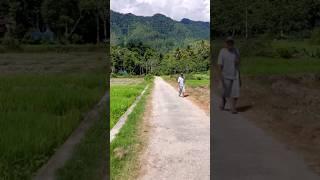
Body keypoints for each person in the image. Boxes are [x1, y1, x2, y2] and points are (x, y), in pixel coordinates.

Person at [217, 37, 240, 114]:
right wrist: (220, 76)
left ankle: (233, 107)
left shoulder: (236, 51)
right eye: (228, 43)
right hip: (225, 75)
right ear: (225, 43)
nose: (229, 44)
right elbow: (220, 65)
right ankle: (223, 100)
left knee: (235, 92)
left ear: (233, 43)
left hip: (235, 74)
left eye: (231, 43)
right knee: (224, 92)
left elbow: (238, 64)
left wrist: (240, 76)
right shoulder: (222, 52)